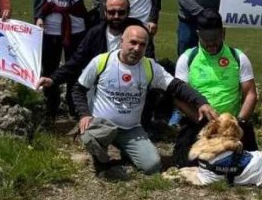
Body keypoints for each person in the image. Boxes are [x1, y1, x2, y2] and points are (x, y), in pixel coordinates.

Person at [72, 23, 217, 175]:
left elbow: (177, 86)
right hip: (103, 125)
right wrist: (84, 114)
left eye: (142, 44)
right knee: (90, 136)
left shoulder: (149, 67)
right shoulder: (102, 61)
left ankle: (127, 152)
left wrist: (201, 102)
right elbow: (78, 89)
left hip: (131, 128)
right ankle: (103, 162)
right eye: (133, 42)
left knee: (152, 166)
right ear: (122, 41)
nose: (136, 48)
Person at [172, 10, 257, 166]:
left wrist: (239, 121)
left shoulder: (238, 57)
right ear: (198, 34)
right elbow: (179, 97)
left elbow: (250, 93)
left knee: (248, 164)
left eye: (215, 39)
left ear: (223, 33)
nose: (211, 44)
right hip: (199, 122)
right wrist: (199, 120)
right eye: (206, 40)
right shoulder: (187, 59)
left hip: (232, 124)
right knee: (186, 163)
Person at [34, 0, 93, 118]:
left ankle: (74, 104)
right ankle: (51, 104)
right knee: (50, 66)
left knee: (75, 65)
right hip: (51, 24)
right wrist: (38, 17)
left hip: (76, 23)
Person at [47, 0, 141, 105]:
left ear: (128, 12)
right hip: (101, 94)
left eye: (121, 12)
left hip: (131, 92)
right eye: (112, 12)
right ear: (105, 12)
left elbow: (148, 62)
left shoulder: (139, 33)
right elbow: (77, 60)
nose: (116, 16)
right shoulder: (95, 34)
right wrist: (53, 79)